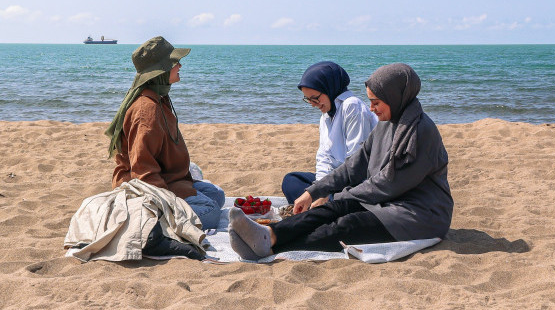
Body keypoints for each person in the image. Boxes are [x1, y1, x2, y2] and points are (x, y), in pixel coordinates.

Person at [228, 62, 452, 259]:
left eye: (376, 102)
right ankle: (270, 234)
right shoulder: (386, 123)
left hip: (418, 215)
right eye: (370, 101)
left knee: (347, 224)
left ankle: (271, 249)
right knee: (332, 209)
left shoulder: (421, 132)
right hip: (386, 201)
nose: (371, 109)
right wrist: (314, 192)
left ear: (395, 97)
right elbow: (355, 165)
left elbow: (389, 184)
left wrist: (341, 196)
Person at [106, 36, 225, 231]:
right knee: (211, 213)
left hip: (168, 178)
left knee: (217, 195)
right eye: (174, 62)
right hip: (150, 187)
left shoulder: (158, 98)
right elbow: (142, 172)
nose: (180, 65)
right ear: (160, 71)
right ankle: (160, 223)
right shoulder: (147, 110)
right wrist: (168, 204)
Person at [281, 60, 378, 205]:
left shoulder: (352, 106)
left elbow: (357, 163)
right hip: (335, 182)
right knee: (291, 180)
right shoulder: (327, 114)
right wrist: (319, 189)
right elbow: (324, 157)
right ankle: (322, 208)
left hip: (356, 182)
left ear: (329, 88)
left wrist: (323, 191)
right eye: (308, 99)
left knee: (342, 199)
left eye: (315, 98)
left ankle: (324, 209)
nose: (313, 104)